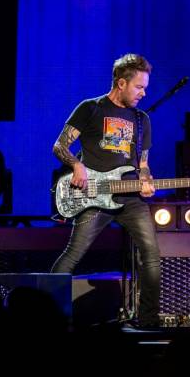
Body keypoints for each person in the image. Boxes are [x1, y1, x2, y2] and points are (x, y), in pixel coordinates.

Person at [50, 54, 161, 328]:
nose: (144, 93)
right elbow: (59, 146)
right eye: (139, 87)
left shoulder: (141, 119)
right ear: (121, 83)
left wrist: (146, 181)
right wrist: (76, 165)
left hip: (130, 198)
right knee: (71, 257)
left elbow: (143, 164)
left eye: (145, 87)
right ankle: (48, 318)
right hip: (93, 196)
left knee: (151, 255)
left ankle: (148, 321)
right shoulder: (90, 108)